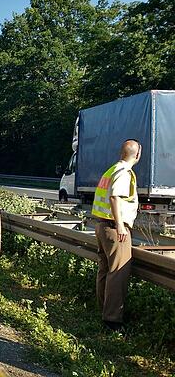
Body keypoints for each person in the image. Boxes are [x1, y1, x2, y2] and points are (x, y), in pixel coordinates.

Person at [91, 139, 141, 331]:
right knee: (118, 273)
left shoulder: (111, 170)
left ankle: (103, 311)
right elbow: (115, 196)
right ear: (137, 154)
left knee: (104, 270)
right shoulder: (124, 172)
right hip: (114, 228)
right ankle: (112, 320)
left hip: (102, 226)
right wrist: (120, 225)